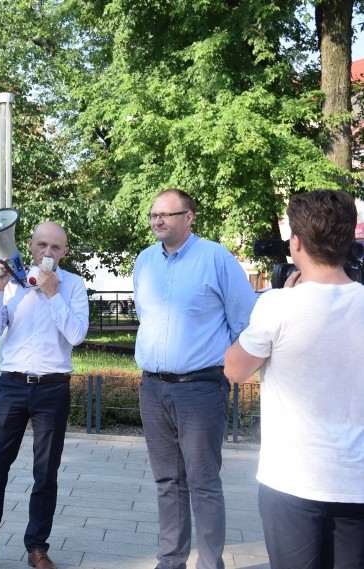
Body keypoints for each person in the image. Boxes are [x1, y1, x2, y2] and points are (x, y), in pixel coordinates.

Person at [224, 190, 364, 569]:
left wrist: (278, 300)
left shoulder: (277, 305)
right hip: (356, 480)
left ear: (296, 243)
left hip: (292, 478)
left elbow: (234, 369)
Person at [0, 221, 90, 569]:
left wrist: (53, 293)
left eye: (56, 247)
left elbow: (76, 335)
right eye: (42, 244)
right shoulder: (12, 281)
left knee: (45, 472)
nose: (48, 252)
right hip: (12, 385)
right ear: (29, 245)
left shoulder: (73, 286)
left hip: (53, 387)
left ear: (65, 252)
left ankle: (37, 547)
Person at [133, 189, 256, 569]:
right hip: (153, 387)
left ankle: (210, 563)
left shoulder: (216, 258)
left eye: (167, 215)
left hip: (201, 389)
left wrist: (232, 372)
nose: (157, 221)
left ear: (189, 218)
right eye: (154, 214)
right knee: (167, 481)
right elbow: (145, 318)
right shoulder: (144, 261)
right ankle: (170, 560)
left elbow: (245, 322)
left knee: (203, 483)